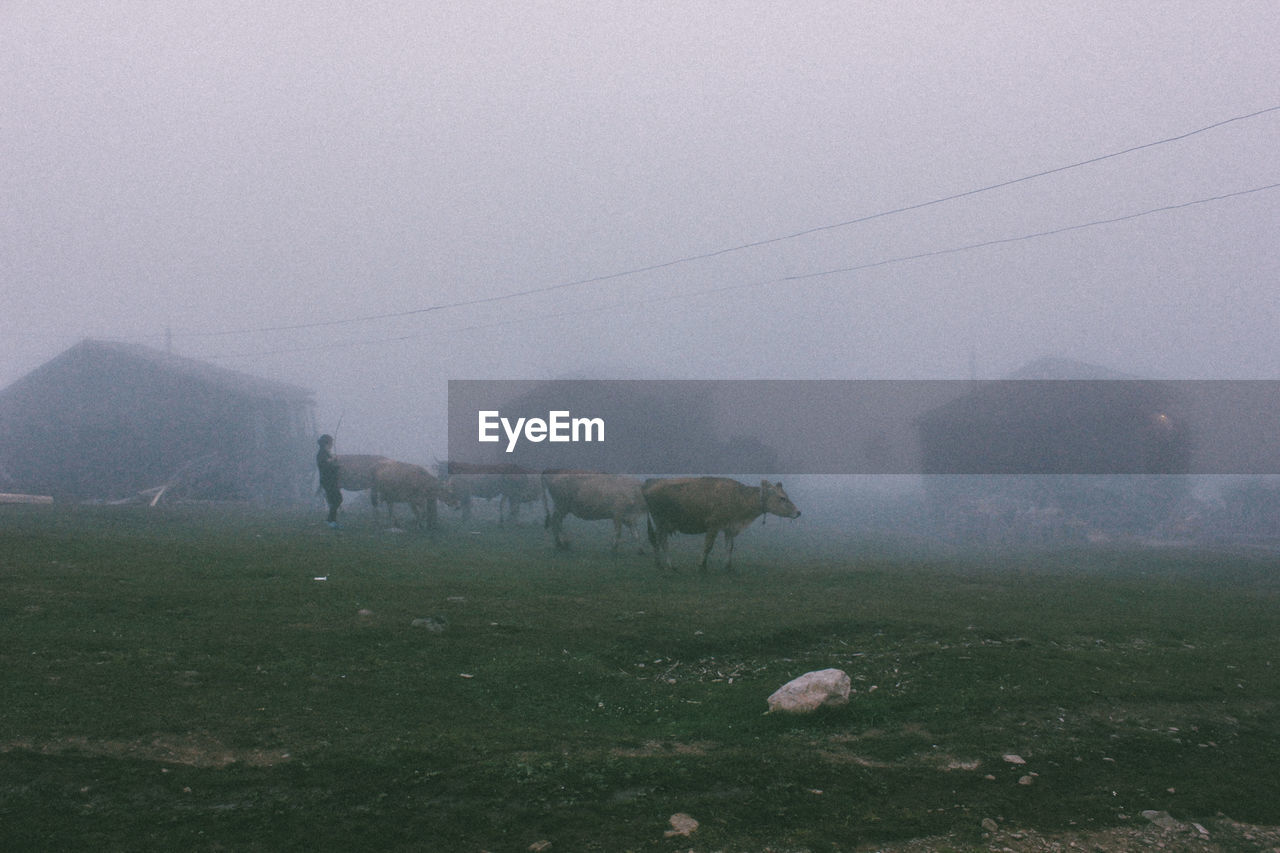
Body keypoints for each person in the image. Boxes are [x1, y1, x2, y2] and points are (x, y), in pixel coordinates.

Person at [316, 434, 342, 527]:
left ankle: (331, 520)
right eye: (331, 442)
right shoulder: (322, 453)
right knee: (337, 499)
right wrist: (333, 460)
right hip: (328, 481)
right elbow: (325, 465)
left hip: (329, 480)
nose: (332, 445)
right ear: (326, 443)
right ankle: (331, 521)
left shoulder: (325, 453)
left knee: (335, 500)